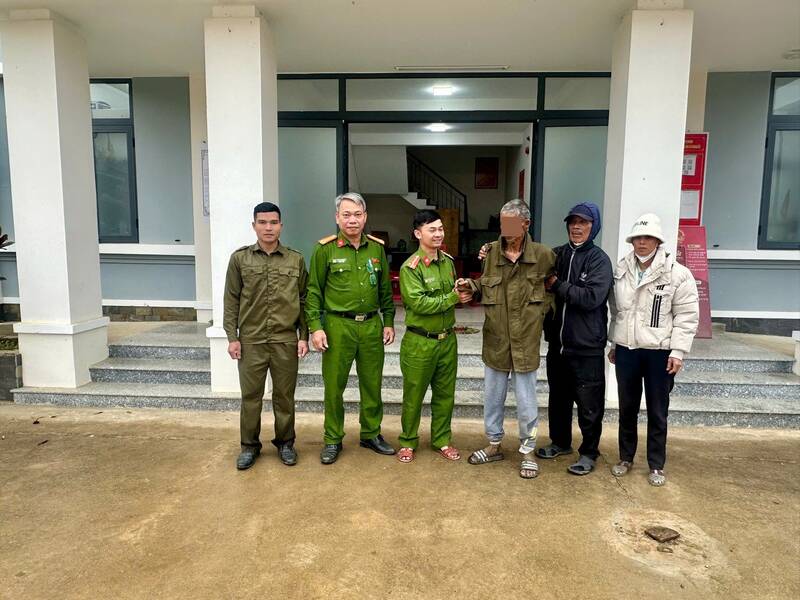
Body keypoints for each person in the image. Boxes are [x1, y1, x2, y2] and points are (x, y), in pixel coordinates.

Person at [459, 199, 556, 479]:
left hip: (526, 340)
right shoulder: (490, 252)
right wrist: (471, 286)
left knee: (527, 401)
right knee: (492, 397)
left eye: (511, 222)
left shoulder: (544, 255)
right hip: (497, 338)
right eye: (502, 222)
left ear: (526, 224)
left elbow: (554, 287)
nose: (505, 228)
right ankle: (493, 445)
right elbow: (484, 283)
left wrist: (542, 311)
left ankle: (527, 450)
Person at [607, 213, 699, 486]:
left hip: (660, 353)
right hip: (627, 350)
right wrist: (614, 342)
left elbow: (686, 316)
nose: (642, 242)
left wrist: (678, 352)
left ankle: (656, 464)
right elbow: (617, 312)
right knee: (627, 407)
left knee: (658, 410)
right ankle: (626, 457)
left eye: (648, 238)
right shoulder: (621, 269)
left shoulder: (677, 274)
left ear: (658, 241)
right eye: (638, 237)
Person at [306, 192, 396, 464]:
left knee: (372, 385)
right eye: (346, 215)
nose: (352, 220)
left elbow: (385, 291)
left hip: (370, 326)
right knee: (334, 386)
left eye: (357, 214)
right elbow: (313, 292)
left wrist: (388, 321)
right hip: (337, 326)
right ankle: (333, 438)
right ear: (337, 218)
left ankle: (371, 434)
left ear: (365, 217)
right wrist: (315, 327)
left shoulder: (377, 248)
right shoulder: (325, 249)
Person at [224, 202, 308, 470]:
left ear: (281, 225)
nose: (268, 227)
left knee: (285, 397)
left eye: (273, 222)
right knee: (251, 397)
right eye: (262, 222)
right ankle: (249, 446)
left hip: (285, 339)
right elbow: (231, 299)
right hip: (251, 340)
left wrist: (303, 336)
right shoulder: (240, 259)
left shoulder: (295, 259)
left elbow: (305, 300)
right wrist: (231, 336)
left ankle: (286, 443)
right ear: (254, 225)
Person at [537, 203, 613, 476]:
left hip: (587, 346)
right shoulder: (556, 254)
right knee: (558, 398)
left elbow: (592, 298)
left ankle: (589, 452)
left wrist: (558, 285)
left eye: (584, 223)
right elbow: (529, 264)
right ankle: (560, 442)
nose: (577, 227)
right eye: (573, 222)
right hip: (558, 345)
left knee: (589, 404)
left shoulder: (598, 260)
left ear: (594, 227)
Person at [397, 210, 465, 463]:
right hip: (420, 342)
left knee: (445, 395)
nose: (438, 234)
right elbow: (419, 303)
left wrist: (463, 292)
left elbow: (453, 294)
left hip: (447, 340)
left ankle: (442, 440)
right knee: (414, 395)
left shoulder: (447, 262)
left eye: (440, 229)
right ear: (418, 234)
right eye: (432, 230)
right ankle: (407, 441)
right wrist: (453, 298)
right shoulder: (410, 268)